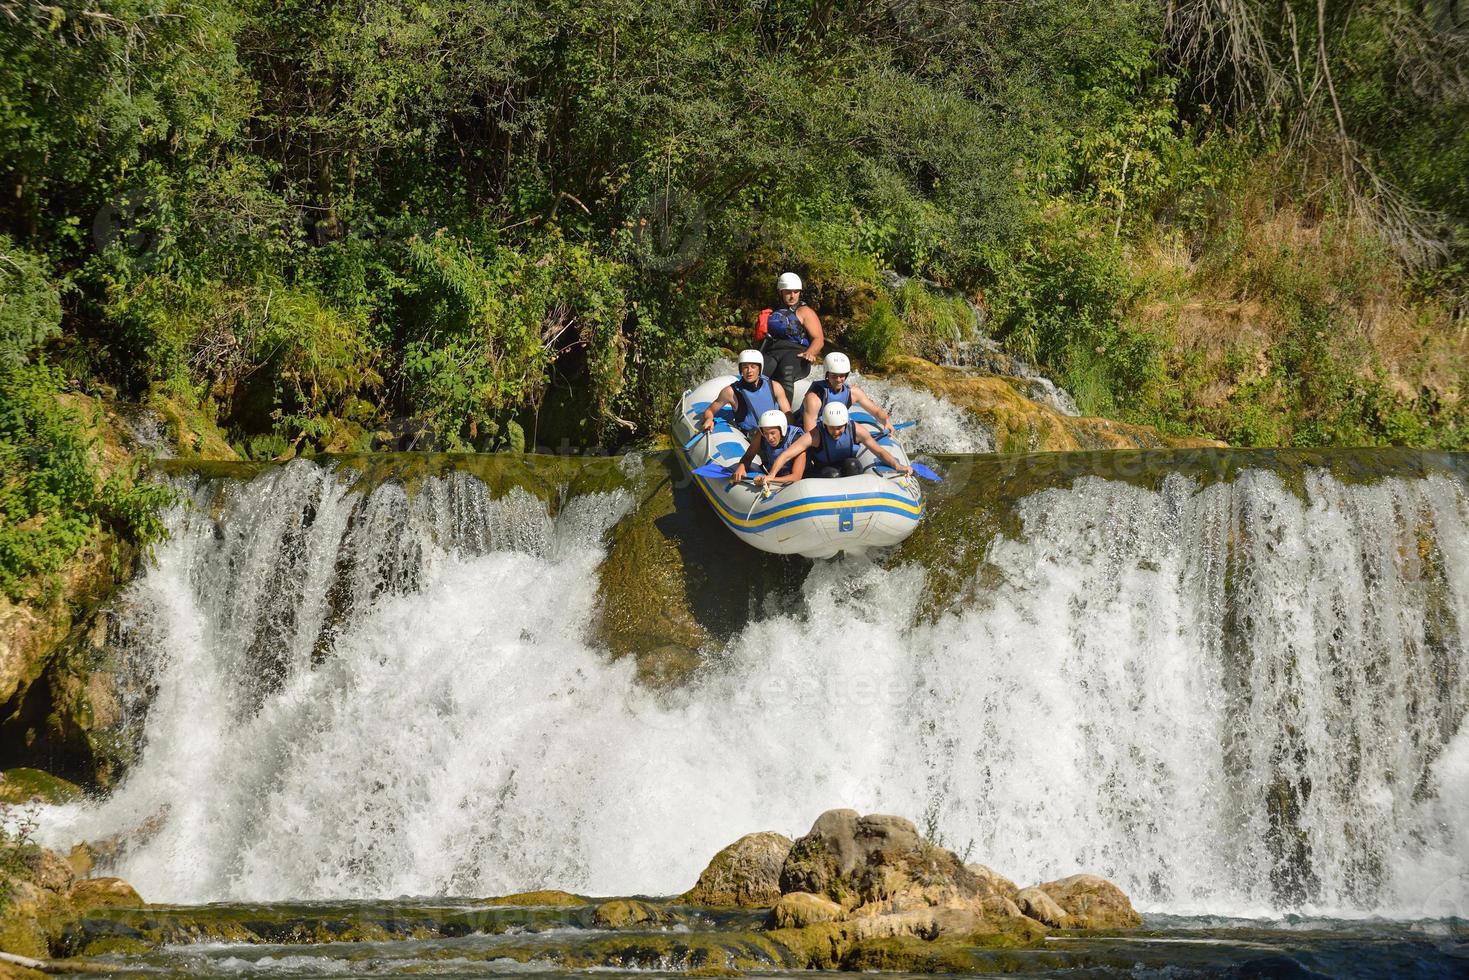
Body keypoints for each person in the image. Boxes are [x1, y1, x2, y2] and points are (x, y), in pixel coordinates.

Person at [767, 402, 912, 481]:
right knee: (833, 475)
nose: (836, 432)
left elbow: (879, 451)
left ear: (846, 424)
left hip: (845, 466)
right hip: (822, 470)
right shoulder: (815, 435)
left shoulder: (857, 430)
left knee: (853, 464)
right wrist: (772, 474)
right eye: (832, 428)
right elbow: (786, 454)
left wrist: (897, 466)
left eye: (839, 428)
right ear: (824, 425)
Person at [761, 272, 824, 404]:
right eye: (788, 292)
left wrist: (810, 352)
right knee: (759, 370)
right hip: (773, 352)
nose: (792, 296)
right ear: (781, 292)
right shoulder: (772, 311)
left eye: (796, 292)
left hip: (796, 354)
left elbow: (818, 339)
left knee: (786, 370)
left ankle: (785, 415)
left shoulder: (805, 311)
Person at [699, 349, 792, 437]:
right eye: (745, 367)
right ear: (741, 369)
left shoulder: (775, 386)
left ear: (760, 368)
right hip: (750, 438)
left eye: (753, 367)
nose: (749, 371)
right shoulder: (730, 392)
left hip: (774, 436)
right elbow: (710, 411)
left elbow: (788, 415)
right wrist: (709, 419)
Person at [801, 351, 893, 435]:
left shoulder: (853, 393)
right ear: (827, 375)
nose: (838, 380)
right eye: (833, 376)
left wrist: (886, 421)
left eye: (841, 376)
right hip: (808, 430)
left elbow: (876, 411)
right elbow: (810, 432)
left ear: (847, 375)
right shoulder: (814, 398)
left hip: (834, 429)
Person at [731, 410, 807, 488]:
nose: (769, 438)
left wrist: (768, 479)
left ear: (782, 429)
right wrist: (741, 467)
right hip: (773, 475)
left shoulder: (797, 439)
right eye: (766, 433)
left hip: (800, 483)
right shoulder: (761, 435)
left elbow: (796, 477)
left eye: (772, 433)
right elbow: (748, 456)